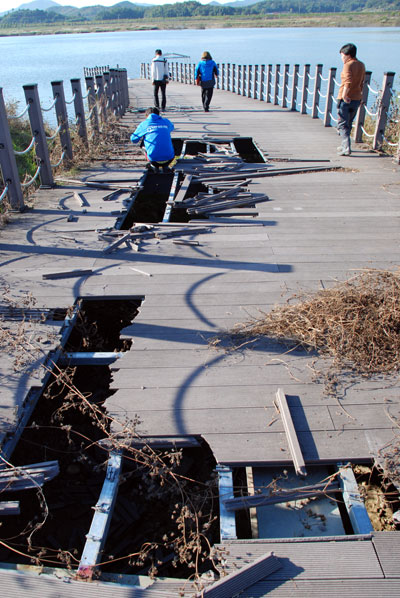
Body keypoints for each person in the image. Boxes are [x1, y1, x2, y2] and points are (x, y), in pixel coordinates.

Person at [336, 43, 365, 156]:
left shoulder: (348, 65)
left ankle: (346, 147)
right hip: (357, 97)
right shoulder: (361, 64)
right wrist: (360, 95)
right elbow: (362, 82)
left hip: (346, 98)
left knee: (342, 123)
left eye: (343, 55)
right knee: (349, 122)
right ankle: (344, 145)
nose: (342, 58)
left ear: (348, 55)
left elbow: (347, 82)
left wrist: (344, 95)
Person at [130, 107, 175, 173]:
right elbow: (171, 128)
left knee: (143, 142)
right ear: (159, 115)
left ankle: (153, 166)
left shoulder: (144, 124)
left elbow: (133, 139)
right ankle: (165, 166)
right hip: (169, 158)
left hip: (153, 159)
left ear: (146, 116)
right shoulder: (166, 121)